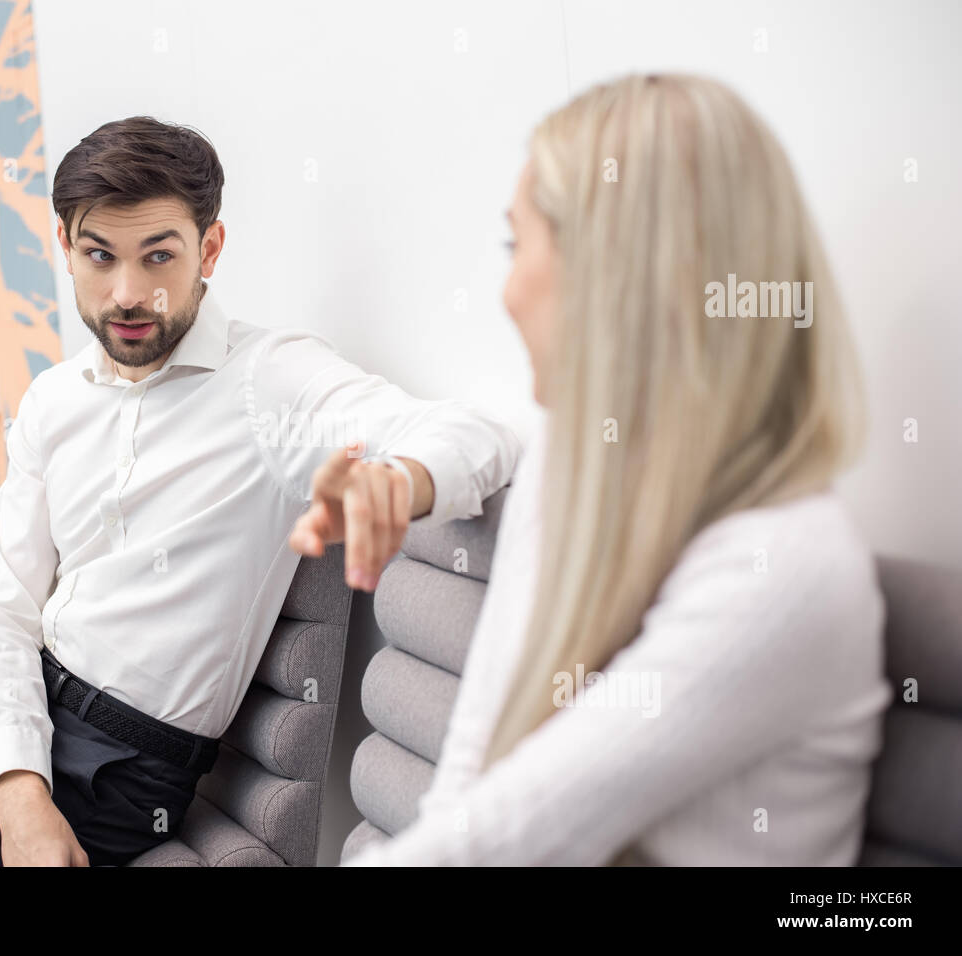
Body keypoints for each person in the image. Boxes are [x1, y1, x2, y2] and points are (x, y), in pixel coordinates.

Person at [0, 116, 520, 867]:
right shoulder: (55, 401)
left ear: (209, 249)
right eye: (98, 256)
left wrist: (400, 482)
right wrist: (17, 784)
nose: (127, 294)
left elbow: (477, 434)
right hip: (11, 685)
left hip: (120, 765)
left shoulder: (271, 380)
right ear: (65, 247)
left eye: (160, 256)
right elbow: (0, 611)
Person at [341, 73, 892, 866]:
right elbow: (466, 796)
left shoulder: (788, 568)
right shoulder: (571, 469)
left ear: (614, 276)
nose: (505, 291)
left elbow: (487, 849)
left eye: (515, 244)